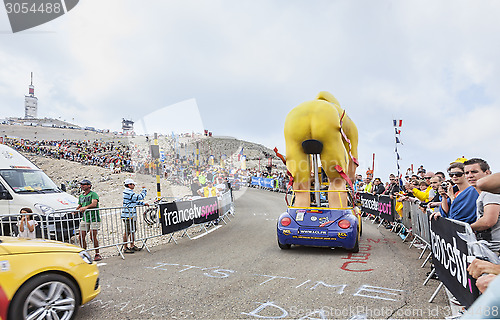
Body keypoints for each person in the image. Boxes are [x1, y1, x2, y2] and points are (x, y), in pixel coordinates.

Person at [465, 158, 500, 254]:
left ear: (487, 173)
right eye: (466, 173)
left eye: (474, 172)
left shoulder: (490, 193)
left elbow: (488, 221)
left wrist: (466, 228)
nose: (470, 176)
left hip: (495, 250)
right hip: (488, 247)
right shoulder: (483, 194)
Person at [74, 179, 101, 261]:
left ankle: (97, 253)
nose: (82, 186)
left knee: (93, 236)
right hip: (85, 218)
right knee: (81, 236)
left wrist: (85, 208)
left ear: (89, 185)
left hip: (94, 218)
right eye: (81, 184)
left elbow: (94, 203)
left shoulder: (93, 194)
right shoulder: (81, 196)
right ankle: (84, 253)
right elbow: (80, 204)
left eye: (84, 184)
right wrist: (75, 211)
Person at [121, 178, 148, 253]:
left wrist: (143, 204)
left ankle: (132, 245)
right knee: (128, 231)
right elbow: (140, 197)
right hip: (128, 215)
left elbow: (134, 202)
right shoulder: (128, 192)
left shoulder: (129, 192)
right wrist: (144, 190)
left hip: (131, 214)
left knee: (132, 230)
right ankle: (125, 247)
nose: (134, 185)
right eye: (133, 184)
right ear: (129, 185)